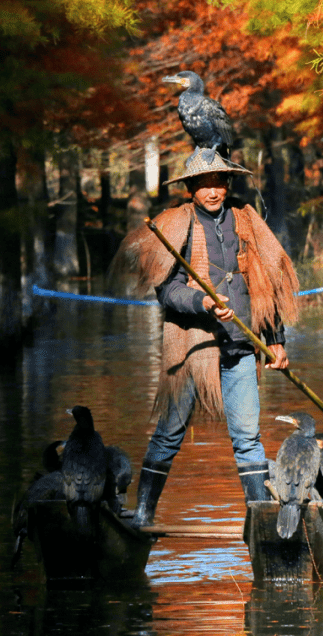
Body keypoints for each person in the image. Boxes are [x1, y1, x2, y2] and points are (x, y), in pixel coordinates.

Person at [110, 146, 300, 527]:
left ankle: (260, 520)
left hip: (241, 346)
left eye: (219, 183)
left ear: (228, 184)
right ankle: (144, 514)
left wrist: (275, 338)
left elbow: (268, 281)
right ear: (191, 188)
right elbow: (166, 290)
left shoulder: (246, 221)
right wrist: (203, 302)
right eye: (204, 184)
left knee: (248, 438)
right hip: (192, 345)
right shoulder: (175, 225)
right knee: (169, 434)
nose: (213, 192)